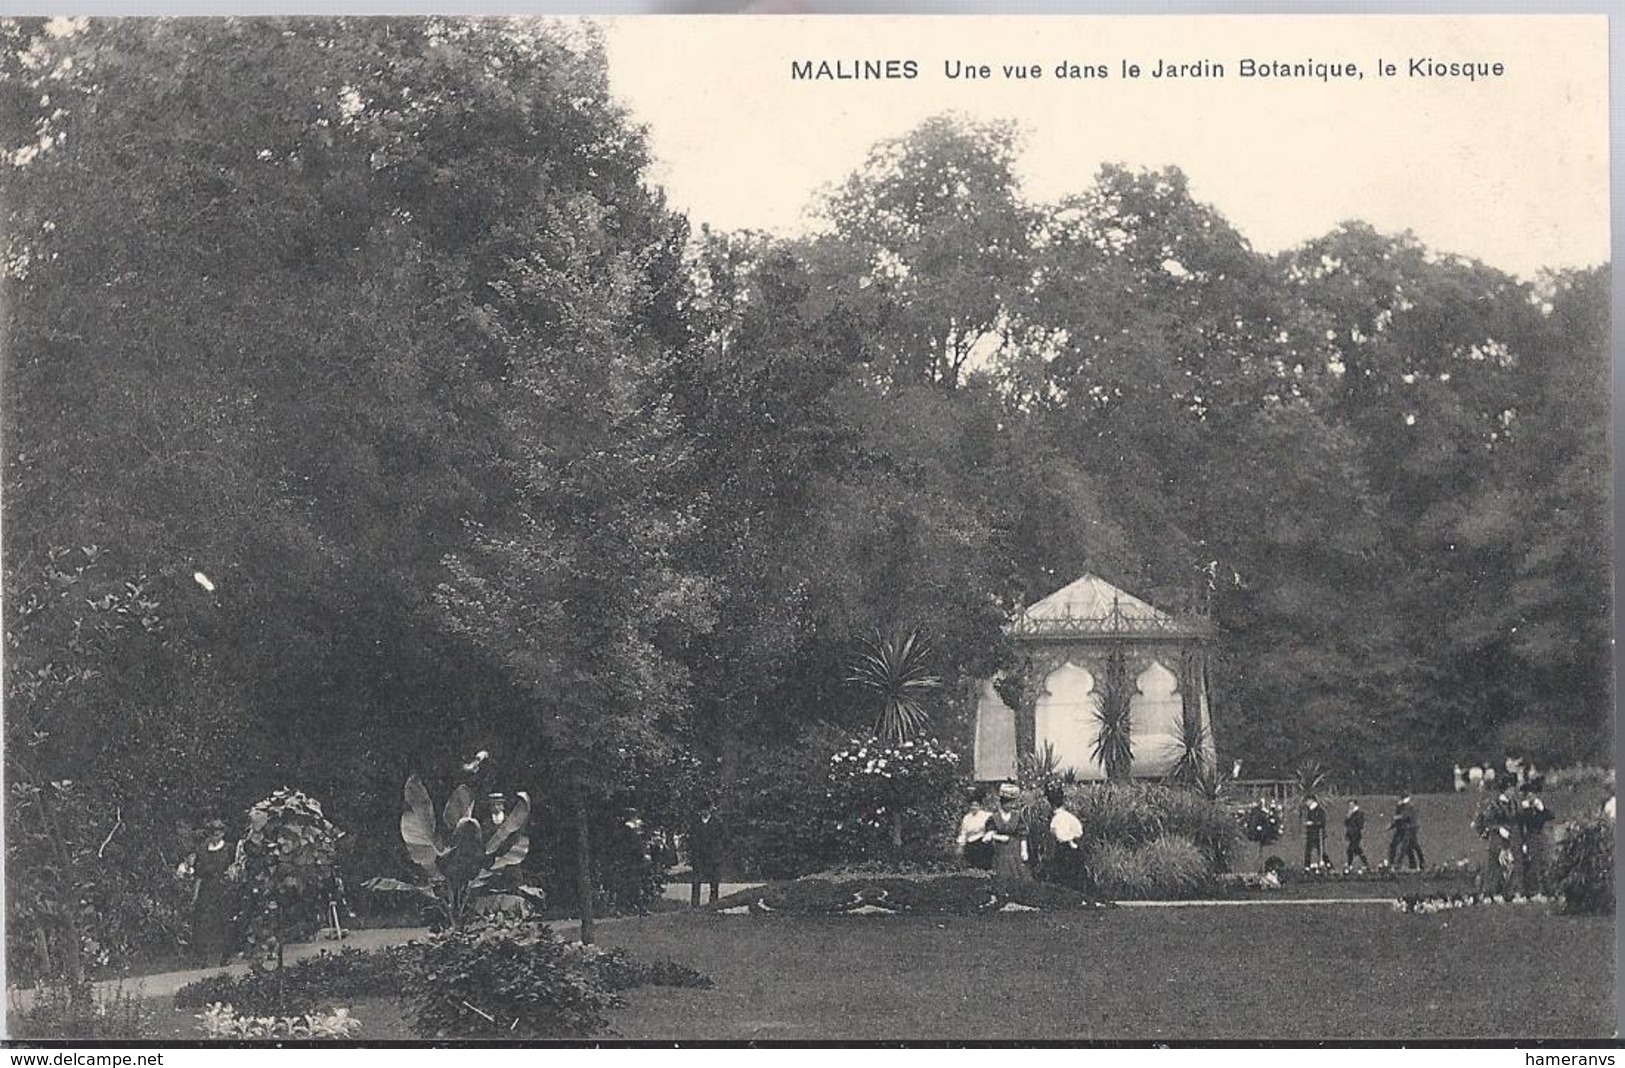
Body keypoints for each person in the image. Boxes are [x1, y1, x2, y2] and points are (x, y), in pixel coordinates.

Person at [185, 818, 239, 966]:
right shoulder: (202, 850)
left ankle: (225, 956)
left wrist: (233, 880)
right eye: (213, 832)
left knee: (225, 922)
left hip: (224, 888)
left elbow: (235, 868)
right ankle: (203, 958)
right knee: (204, 923)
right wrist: (195, 895)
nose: (216, 835)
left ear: (223, 833)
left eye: (219, 832)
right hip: (207, 890)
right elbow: (198, 875)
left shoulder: (229, 849)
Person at [984, 782, 1030, 882]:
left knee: (1017, 875)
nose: (1012, 805)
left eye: (1013, 802)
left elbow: (1022, 835)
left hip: (1014, 850)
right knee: (1001, 875)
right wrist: (996, 837)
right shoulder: (994, 817)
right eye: (1009, 802)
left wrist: (1024, 851)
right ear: (1002, 802)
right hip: (1001, 851)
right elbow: (989, 834)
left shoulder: (1017, 816)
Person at [1044, 784, 1083, 887]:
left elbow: (1055, 835)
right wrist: (1072, 838)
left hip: (1062, 850)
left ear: (1052, 805)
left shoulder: (1056, 820)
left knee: (1062, 877)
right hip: (1074, 848)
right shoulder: (1070, 817)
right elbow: (1079, 831)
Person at [687, 803, 725, 907]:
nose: (704, 812)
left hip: (713, 856)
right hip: (699, 856)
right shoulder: (695, 823)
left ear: (710, 810)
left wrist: (718, 852)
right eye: (702, 810)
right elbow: (692, 839)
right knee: (696, 880)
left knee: (714, 881)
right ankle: (695, 904)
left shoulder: (717, 822)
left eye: (706, 809)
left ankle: (713, 903)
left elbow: (722, 838)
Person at [956, 789, 994, 870]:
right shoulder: (967, 818)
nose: (973, 807)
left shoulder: (986, 816)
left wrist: (987, 837)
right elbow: (963, 833)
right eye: (972, 805)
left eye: (976, 805)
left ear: (980, 806)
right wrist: (960, 846)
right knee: (971, 868)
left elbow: (992, 829)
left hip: (983, 846)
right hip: (970, 846)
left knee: (982, 867)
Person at [1301, 793, 1328, 869]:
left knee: (1321, 851)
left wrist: (1312, 823)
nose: (1306, 803)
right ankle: (1307, 866)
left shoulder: (1319, 810)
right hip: (1310, 833)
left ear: (1311, 800)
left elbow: (1322, 821)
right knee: (1308, 850)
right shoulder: (1308, 810)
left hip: (1317, 833)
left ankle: (1327, 865)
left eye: (1307, 801)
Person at [1343, 799, 1369, 872]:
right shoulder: (1349, 813)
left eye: (1351, 804)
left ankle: (1350, 864)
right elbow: (1346, 824)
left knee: (1350, 850)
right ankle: (1365, 863)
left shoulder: (1359, 813)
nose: (1350, 806)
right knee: (1357, 850)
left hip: (1356, 834)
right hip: (1351, 835)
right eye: (1349, 805)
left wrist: (1352, 819)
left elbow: (1360, 824)